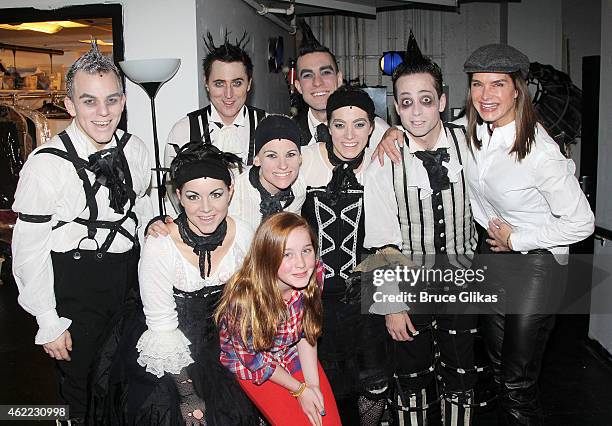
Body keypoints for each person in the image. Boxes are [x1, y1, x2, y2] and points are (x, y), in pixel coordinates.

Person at [11, 43, 153, 423]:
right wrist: (48, 320)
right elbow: (27, 251)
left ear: (123, 101)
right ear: (70, 105)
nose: (103, 113)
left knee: (124, 381)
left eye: (111, 100)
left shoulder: (134, 148)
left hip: (129, 282)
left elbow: (142, 210)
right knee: (80, 391)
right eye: (89, 101)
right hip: (75, 287)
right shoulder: (46, 165)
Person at [461, 44, 594, 425]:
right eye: (477, 84)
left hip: (537, 265)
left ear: (517, 89)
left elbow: (582, 222)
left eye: (497, 84)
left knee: (517, 384)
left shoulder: (539, 150)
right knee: (498, 370)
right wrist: (389, 136)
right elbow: (426, 130)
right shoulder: (477, 136)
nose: (486, 96)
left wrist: (517, 239)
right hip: (494, 259)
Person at [89, 142, 259, 425]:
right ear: (179, 196)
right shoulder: (160, 244)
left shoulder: (244, 233)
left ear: (230, 192)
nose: (206, 208)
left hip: (221, 344)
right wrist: (188, 394)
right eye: (193, 197)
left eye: (216, 194)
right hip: (166, 344)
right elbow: (162, 325)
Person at [364, 32, 478, 426]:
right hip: (409, 283)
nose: (416, 113)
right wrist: (391, 305)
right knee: (411, 379)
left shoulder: (472, 143)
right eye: (407, 103)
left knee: (462, 376)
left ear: (443, 102)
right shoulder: (384, 161)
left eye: (426, 101)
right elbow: (380, 240)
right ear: (396, 107)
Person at [299, 85, 391, 425]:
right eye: (340, 124)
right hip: (313, 297)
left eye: (359, 125)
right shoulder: (305, 159)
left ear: (372, 126)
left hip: (366, 297)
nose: (349, 135)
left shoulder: (382, 164)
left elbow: (389, 241)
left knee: (372, 384)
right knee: (321, 386)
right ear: (328, 126)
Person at [215, 212, 342, 426]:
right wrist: (299, 389)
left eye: (306, 250)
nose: (301, 264)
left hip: (291, 352)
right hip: (255, 365)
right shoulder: (243, 300)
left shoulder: (314, 274)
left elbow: (306, 332)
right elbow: (255, 361)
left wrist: (312, 386)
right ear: (267, 256)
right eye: (287, 254)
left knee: (327, 420)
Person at [164, 31, 267, 214]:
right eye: (219, 83)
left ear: (249, 83)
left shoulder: (267, 124)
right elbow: (173, 194)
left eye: (237, 83)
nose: (228, 94)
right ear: (206, 83)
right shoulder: (184, 130)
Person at [294, 20, 389, 148]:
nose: (317, 82)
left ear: (339, 79)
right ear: (299, 86)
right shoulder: (288, 132)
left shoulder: (378, 132)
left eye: (325, 73)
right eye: (307, 75)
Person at [229, 114, 307, 229]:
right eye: (272, 155)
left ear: (300, 158)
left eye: (290, 154)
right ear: (256, 159)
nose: (283, 165)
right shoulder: (234, 195)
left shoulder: (299, 188)